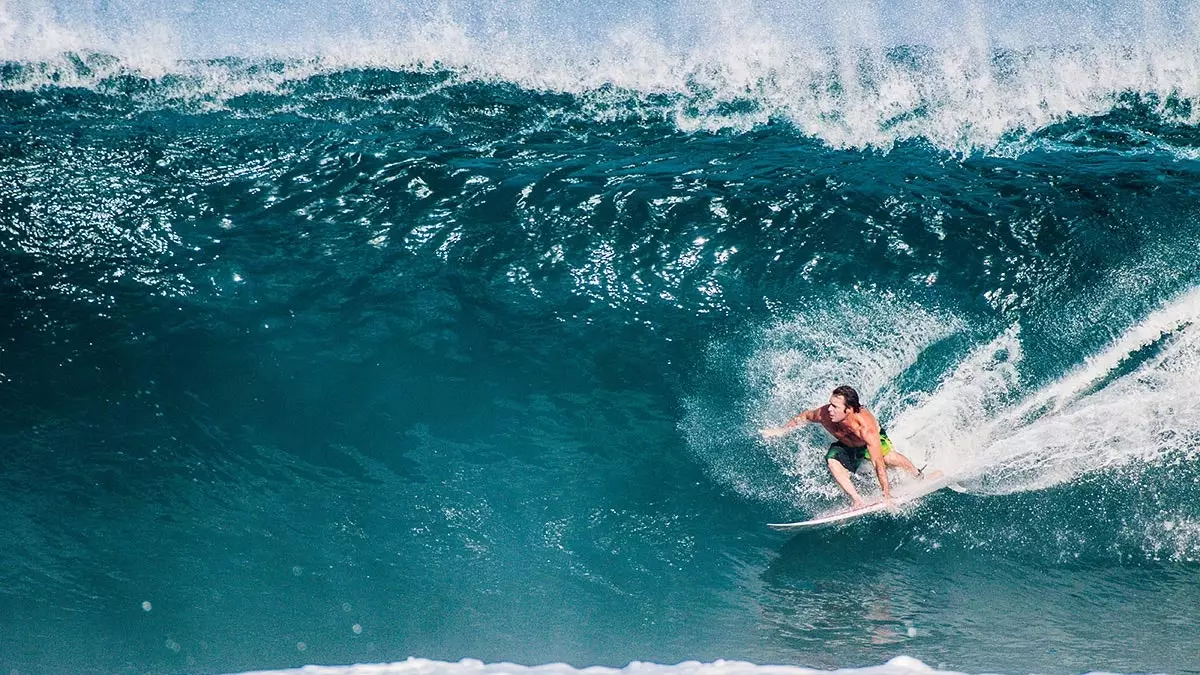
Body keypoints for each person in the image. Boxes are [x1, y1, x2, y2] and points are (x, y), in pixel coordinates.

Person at [760, 385, 922, 509]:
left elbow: (878, 464)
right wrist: (781, 430)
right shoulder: (824, 414)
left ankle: (917, 474)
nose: (829, 409)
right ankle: (857, 500)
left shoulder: (866, 428)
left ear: (849, 409)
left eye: (835, 406)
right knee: (832, 461)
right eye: (830, 404)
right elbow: (805, 416)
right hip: (846, 445)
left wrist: (886, 495)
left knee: (888, 457)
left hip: (865, 443)